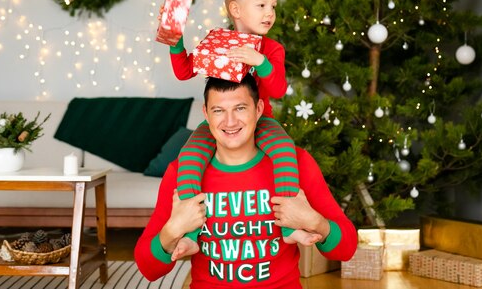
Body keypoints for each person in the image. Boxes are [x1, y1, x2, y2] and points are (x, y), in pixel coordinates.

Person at [134, 75, 357, 288]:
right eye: (218, 110)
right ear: (206, 114)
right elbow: (149, 269)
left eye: (240, 108)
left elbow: (346, 249)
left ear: (258, 109)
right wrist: (173, 230)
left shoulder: (297, 164)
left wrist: (314, 221)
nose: (230, 121)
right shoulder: (180, 173)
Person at [168, 0, 311, 258]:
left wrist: (261, 62)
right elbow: (184, 71)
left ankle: (288, 227)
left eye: (273, 7)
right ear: (236, 10)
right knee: (188, 158)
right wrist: (175, 42)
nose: (270, 13)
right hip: (220, 124)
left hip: (262, 122)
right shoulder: (219, 42)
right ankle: (193, 234)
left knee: (284, 150)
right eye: (261, 6)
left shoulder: (271, 48)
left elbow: (279, 89)